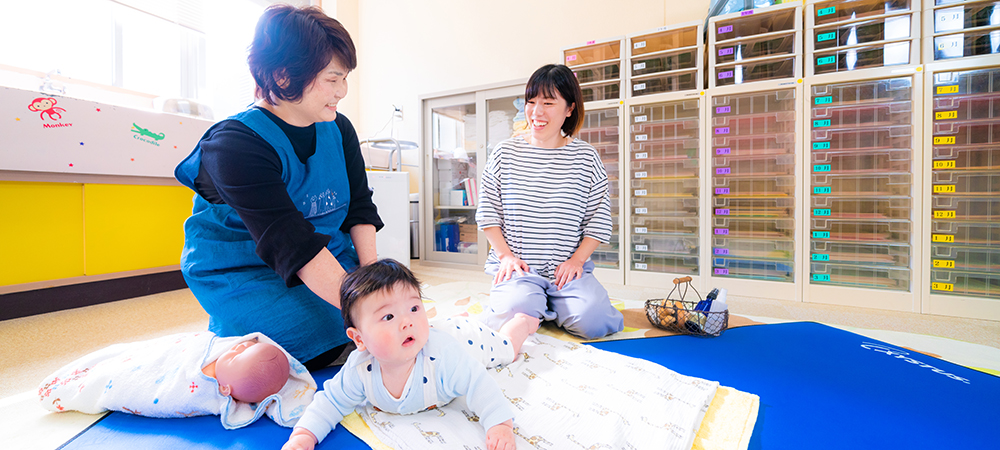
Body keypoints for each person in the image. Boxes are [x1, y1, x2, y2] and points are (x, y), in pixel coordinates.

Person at [174, 4, 382, 370]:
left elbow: (359, 207)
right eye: (333, 79)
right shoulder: (235, 143)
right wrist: (370, 310)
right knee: (283, 356)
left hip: (326, 253)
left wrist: (374, 282)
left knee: (382, 309)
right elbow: (290, 241)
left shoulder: (339, 128)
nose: (342, 91)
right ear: (284, 76)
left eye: (345, 78)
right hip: (246, 271)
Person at [282, 259, 537, 450]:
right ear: (359, 339)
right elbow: (331, 401)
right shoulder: (360, 370)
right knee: (439, 328)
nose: (407, 322)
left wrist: (500, 424)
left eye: (414, 308)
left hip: (463, 340)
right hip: (438, 332)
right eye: (389, 316)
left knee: (506, 350)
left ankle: (523, 322)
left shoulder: (445, 356)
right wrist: (304, 434)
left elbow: (478, 384)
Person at [475, 64, 625, 340]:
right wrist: (505, 256)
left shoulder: (585, 158)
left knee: (594, 322)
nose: (537, 112)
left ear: (570, 108)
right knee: (511, 312)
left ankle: (547, 305)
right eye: (531, 102)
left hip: (565, 271)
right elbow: (487, 214)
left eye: (548, 102)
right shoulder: (505, 153)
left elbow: (599, 218)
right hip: (520, 268)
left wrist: (577, 260)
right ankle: (535, 303)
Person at [38, 332, 315, 430]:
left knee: (117, 376)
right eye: (243, 347)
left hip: (160, 374)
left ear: (226, 390)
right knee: (132, 353)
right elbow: (189, 345)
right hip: (175, 352)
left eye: (235, 358)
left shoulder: (204, 392)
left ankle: (74, 388)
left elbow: (159, 390)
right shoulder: (220, 348)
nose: (236, 348)